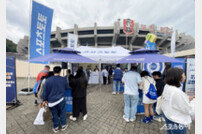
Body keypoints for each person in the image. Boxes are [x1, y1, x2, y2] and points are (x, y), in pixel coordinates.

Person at [161, 68, 195, 134]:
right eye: (183, 75)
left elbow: (174, 100)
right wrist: (194, 102)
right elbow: (188, 109)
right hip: (177, 120)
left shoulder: (168, 86)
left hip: (169, 116)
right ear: (178, 77)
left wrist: (186, 98)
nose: (185, 76)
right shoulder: (176, 92)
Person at [42, 66, 69, 133]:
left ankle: (56, 127)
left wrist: (44, 99)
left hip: (51, 101)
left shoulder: (48, 80)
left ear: (53, 71)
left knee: (54, 113)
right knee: (62, 112)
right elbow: (66, 87)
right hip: (61, 99)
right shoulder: (63, 79)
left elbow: (45, 92)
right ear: (60, 72)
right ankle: (63, 125)